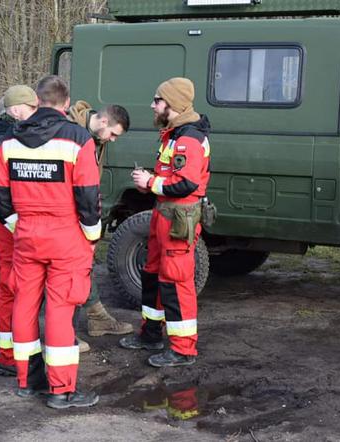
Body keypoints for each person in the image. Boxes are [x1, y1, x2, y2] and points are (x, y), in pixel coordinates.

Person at [0, 75, 100, 409]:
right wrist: (91, 236)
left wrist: (16, 224)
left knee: (24, 304)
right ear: (66, 104)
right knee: (60, 310)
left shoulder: (8, 140)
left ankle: (27, 381)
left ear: (37, 101)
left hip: (26, 235)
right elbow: (88, 195)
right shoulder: (79, 139)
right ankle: (61, 390)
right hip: (66, 236)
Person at [119, 77, 211, 368]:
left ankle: (183, 350)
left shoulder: (188, 140)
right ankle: (150, 333)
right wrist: (150, 183)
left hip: (178, 218)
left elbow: (186, 184)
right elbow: (171, 178)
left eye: (157, 100)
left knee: (176, 281)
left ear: (172, 104)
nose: (152, 105)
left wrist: (151, 182)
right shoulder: (173, 135)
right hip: (164, 214)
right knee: (152, 274)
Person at [0, 86, 38, 374]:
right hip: (8, 218)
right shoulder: (3, 140)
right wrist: (17, 223)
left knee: (9, 282)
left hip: (7, 215)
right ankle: (6, 352)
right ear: (16, 110)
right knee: (10, 283)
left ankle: (2, 343)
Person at [67, 101, 133, 351]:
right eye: (114, 134)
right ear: (104, 122)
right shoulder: (72, 132)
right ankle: (64, 335)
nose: (113, 140)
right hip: (65, 213)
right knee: (67, 273)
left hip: (82, 210)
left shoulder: (97, 139)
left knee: (83, 267)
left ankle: (97, 317)